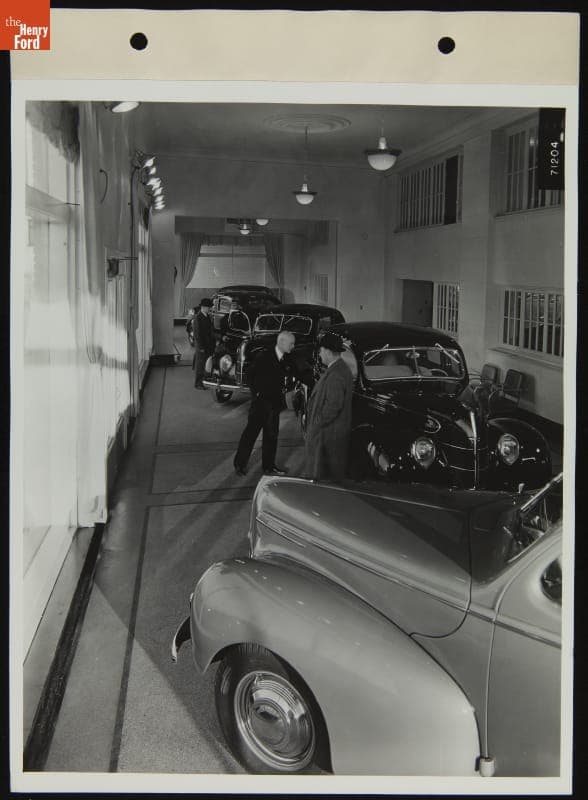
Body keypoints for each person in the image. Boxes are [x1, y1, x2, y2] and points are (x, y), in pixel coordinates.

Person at [233, 330, 296, 477]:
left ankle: (269, 467)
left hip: (274, 405)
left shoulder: (287, 358)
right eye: (291, 343)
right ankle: (240, 465)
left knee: (272, 436)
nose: (293, 346)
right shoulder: (264, 356)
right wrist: (257, 393)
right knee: (250, 435)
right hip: (260, 404)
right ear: (281, 342)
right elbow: (249, 374)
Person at [303, 331, 353, 482]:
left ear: (328, 352)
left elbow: (333, 407)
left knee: (326, 479)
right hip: (330, 434)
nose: (319, 354)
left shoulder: (336, 374)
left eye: (321, 350)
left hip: (328, 436)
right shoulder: (338, 368)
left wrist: (315, 425)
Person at [192, 298, 215, 389]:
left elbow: (210, 331)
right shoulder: (198, 317)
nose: (210, 309)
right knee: (200, 365)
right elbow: (197, 335)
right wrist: (201, 347)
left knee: (206, 364)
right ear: (204, 307)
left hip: (208, 345)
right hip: (202, 346)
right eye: (209, 307)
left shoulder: (207, 316)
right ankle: (198, 384)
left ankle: (204, 382)